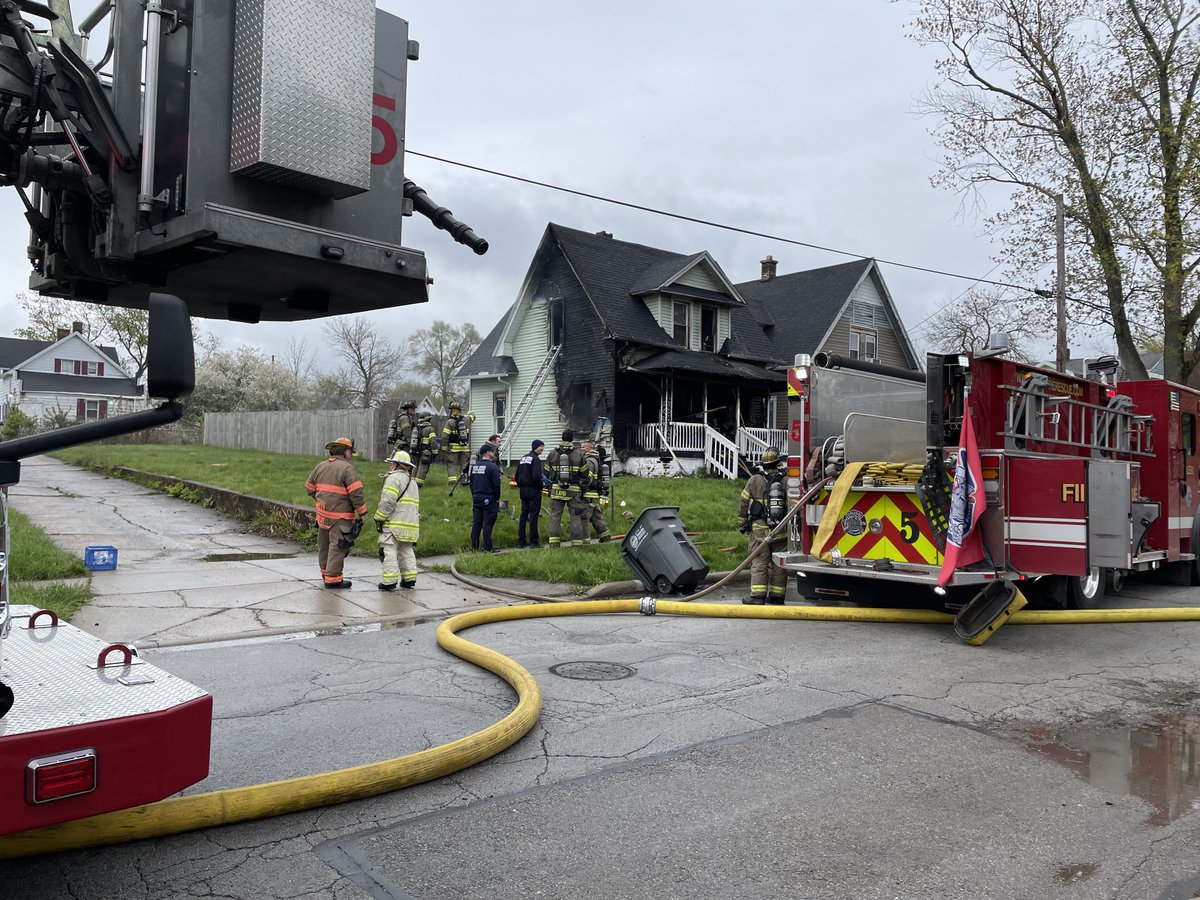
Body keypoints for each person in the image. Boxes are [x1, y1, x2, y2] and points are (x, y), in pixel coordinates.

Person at [305, 437, 367, 589]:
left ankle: (325, 574)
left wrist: (322, 500)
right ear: (345, 452)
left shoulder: (321, 466)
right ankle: (333, 580)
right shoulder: (347, 469)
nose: (351, 455)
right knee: (338, 547)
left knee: (324, 546)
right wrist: (362, 513)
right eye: (350, 452)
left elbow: (309, 487)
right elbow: (356, 493)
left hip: (322, 517)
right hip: (340, 518)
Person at [737, 447, 790, 604]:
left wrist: (742, 523)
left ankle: (757, 597)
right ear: (777, 463)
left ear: (763, 464)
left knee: (760, 562)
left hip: (760, 531)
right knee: (779, 564)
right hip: (781, 530)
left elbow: (743, 503)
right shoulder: (786, 481)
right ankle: (777, 597)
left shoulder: (754, 480)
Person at [373, 449, 420, 591]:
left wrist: (379, 517)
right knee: (406, 550)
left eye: (392, 462)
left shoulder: (393, 479)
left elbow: (388, 502)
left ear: (397, 464)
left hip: (394, 523)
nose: (390, 464)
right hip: (410, 523)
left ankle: (389, 582)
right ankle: (409, 579)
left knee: (389, 550)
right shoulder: (412, 482)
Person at [543, 430, 577, 548]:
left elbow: (545, 472)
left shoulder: (553, 453)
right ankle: (577, 544)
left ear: (561, 438)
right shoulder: (578, 454)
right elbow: (584, 473)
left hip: (556, 489)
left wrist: (547, 486)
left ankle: (554, 542)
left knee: (555, 516)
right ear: (572, 439)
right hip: (573, 490)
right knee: (575, 516)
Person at [576, 438, 612, 544]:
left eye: (583, 447)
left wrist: (581, 489)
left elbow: (587, 478)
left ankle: (585, 541)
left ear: (590, 448)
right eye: (580, 447)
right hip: (594, 494)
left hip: (588, 494)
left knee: (584, 517)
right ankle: (605, 537)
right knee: (596, 516)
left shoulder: (589, 460)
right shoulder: (595, 459)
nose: (581, 449)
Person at [469, 442, 502, 551]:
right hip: (489, 498)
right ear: (487, 453)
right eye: (492, 451)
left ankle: (474, 547)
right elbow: (496, 485)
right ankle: (487, 547)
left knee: (477, 523)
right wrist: (497, 498)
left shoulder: (475, 466)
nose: (494, 452)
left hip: (477, 497)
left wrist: (474, 495)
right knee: (488, 523)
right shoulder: (492, 467)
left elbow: (471, 483)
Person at [515, 439, 545, 548]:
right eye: (541, 446)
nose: (542, 449)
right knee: (533, 515)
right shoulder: (535, 459)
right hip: (533, 490)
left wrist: (521, 485)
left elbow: (517, 475)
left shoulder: (523, 458)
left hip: (523, 490)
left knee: (523, 515)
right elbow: (536, 476)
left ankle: (521, 541)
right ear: (535, 447)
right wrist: (541, 486)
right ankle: (534, 541)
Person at [443, 401, 473, 486]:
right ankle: (464, 481)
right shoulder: (467, 419)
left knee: (452, 464)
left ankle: (452, 482)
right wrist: (469, 412)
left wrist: (444, 449)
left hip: (453, 449)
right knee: (464, 465)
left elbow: (445, 437)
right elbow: (473, 416)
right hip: (465, 448)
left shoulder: (450, 422)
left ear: (451, 410)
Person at [412, 413, 439, 486]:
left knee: (415, 466)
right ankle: (418, 484)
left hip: (415, 451)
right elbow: (433, 442)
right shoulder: (430, 429)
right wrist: (435, 452)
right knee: (423, 467)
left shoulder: (416, 428)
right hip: (425, 452)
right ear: (428, 419)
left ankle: (411, 482)